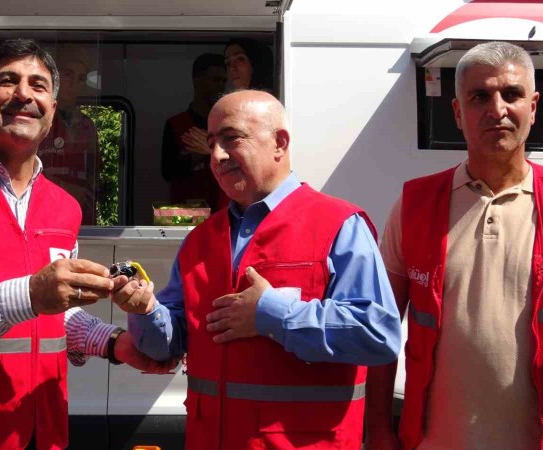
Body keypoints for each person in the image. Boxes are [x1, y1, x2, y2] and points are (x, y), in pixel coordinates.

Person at [0, 38, 174, 450]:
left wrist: (113, 343)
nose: (23, 93)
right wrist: (30, 294)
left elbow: (56, 315)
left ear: (52, 109)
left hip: (44, 430)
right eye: (8, 81)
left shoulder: (64, 207)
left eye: (38, 85)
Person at [112, 90, 401, 449]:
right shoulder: (200, 240)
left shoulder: (339, 225)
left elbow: (377, 334)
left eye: (231, 138)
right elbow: (167, 347)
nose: (216, 156)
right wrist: (145, 311)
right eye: (212, 143)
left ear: (280, 143)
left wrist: (270, 313)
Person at [365, 41, 543, 450]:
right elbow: (380, 329)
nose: (497, 109)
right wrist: (378, 429)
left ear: (533, 107)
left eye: (511, 94)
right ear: (458, 113)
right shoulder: (414, 204)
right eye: (480, 96)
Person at [38, 45, 101, 224]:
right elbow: (21, 173)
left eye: (81, 78)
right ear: (55, 77)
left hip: (81, 220)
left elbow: (94, 176)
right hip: (44, 216)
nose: (74, 83)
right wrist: (64, 188)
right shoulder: (38, 119)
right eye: (68, 74)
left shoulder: (88, 126)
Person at [161, 53, 228, 209]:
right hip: (186, 214)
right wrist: (197, 155)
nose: (220, 87)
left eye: (223, 81)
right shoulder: (175, 124)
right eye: (215, 80)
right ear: (197, 81)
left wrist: (210, 149)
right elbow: (167, 172)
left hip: (222, 211)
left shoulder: (227, 124)